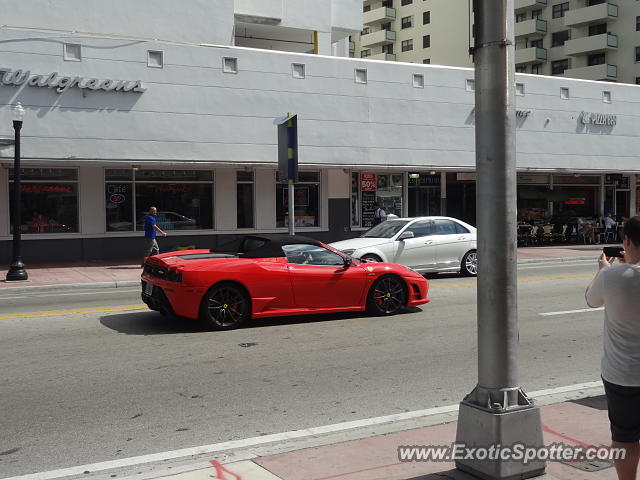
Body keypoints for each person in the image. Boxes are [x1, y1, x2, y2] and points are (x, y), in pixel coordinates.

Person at [585, 216, 640, 480]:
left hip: (622, 374)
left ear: (627, 241)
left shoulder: (612, 276)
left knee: (624, 436)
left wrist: (602, 269)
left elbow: (591, 300)